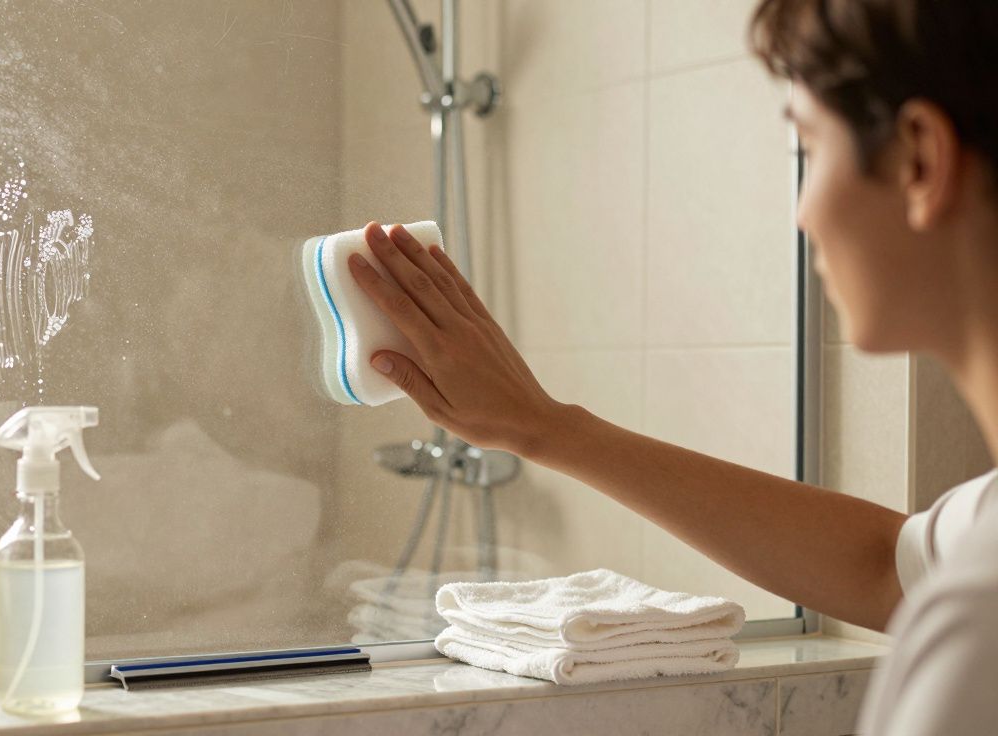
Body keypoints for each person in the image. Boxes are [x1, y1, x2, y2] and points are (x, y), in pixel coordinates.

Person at [345, 1, 998, 732]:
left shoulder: (979, 615)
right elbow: (886, 564)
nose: (802, 213)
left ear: (919, 159)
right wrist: (545, 428)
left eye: (808, 151)